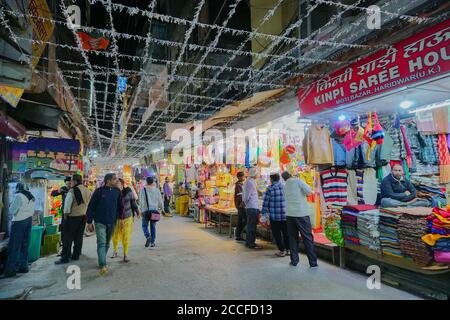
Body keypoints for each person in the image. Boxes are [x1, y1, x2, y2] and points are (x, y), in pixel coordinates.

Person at [86, 173, 124, 275]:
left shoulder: (118, 192)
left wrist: (121, 220)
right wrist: (89, 222)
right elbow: (91, 206)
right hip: (99, 222)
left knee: (107, 242)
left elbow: (121, 207)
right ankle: (103, 264)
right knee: (101, 242)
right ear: (108, 181)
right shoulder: (99, 192)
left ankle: (102, 259)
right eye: (115, 179)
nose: (117, 180)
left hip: (112, 222)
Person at [281, 171, 318, 268]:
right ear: (291, 175)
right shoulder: (298, 181)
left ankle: (294, 261)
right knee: (307, 237)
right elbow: (309, 192)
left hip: (289, 214)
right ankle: (313, 262)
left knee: (292, 238)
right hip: (301, 213)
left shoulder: (285, 185)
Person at [55, 174, 91, 265]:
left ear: (74, 181)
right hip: (82, 217)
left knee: (68, 238)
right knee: (78, 237)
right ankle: (76, 255)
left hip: (72, 217)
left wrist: (66, 216)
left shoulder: (72, 191)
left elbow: (67, 207)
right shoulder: (87, 190)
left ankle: (65, 257)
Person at [1, 183, 35, 278]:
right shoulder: (31, 196)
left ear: (18, 188)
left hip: (19, 221)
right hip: (28, 220)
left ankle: (11, 270)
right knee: (24, 244)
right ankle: (23, 266)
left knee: (14, 246)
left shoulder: (19, 196)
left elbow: (12, 210)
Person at [111, 178, 140, 262]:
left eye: (119, 183)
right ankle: (115, 251)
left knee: (126, 236)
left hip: (127, 217)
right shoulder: (113, 193)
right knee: (115, 236)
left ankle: (125, 254)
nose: (117, 184)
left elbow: (133, 202)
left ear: (122, 184)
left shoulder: (128, 191)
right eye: (116, 183)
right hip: (116, 218)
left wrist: (137, 212)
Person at [262, 173, 289, 257]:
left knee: (277, 234)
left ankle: (281, 250)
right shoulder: (285, 187)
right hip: (285, 215)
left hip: (274, 216)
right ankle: (288, 250)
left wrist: (263, 213)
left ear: (272, 179)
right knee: (286, 233)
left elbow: (266, 203)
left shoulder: (270, 189)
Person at [140, 177, 164, 248]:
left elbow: (141, 201)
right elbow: (160, 200)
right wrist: (161, 209)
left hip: (146, 210)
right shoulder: (156, 190)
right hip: (154, 210)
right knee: (153, 226)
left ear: (146, 182)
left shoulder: (143, 190)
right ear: (153, 182)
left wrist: (141, 210)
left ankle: (148, 236)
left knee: (144, 226)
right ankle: (152, 242)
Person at [243, 167, 260, 249]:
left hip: (252, 206)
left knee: (252, 225)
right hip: (251, 206)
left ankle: (250, 242)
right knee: (251, 225)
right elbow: (247, 196)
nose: (258, 174)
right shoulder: (250, 182)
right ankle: (250, 243)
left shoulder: (251, 181)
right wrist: (246, 204)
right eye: (257, 173)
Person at [234, 171, 246, 241]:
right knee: (242, 220)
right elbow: (240, 195)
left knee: (240, 220)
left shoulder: (240, 184)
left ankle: (238, 235)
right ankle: (238, 235)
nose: (244, 177)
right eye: (243, 176)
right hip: (240, 205)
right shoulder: (239, 185)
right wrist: (241, 204)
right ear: (239, 177)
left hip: (239, 205)